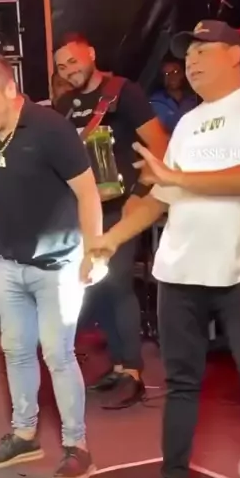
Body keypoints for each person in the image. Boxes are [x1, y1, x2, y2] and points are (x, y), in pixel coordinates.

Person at [88, 20, 240, 478]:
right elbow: (161, 195)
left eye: (204, 50)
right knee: (182, 380)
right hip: (180, 269)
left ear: (235, 55)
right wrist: (112, 238)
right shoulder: (187, 124)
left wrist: (175, 177)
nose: (192, 61)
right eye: (188, 53)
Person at [0, 52, 103, 478]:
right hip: (11, 263)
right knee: (16, 351)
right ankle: (25, 435)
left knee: (58, 354)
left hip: (59, 264)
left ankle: (77, 446)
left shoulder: (50, 129)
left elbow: (88, 192)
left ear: (10, 90)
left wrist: (95, 251)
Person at [54, 32, 169, 409]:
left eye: (73, 61)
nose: (69, 70)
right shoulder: (65, 105)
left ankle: (133, 372)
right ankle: (119, 365)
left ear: (91, 54)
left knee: (117, 282)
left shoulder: (124, 92)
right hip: (85, 209)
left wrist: (141, 194)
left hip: (124, 205)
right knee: (97, 285)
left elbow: (160, 146)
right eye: (61, 66)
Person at [150, 57, 198, 134]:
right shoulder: (155, 103)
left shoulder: (194, 99)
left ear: (182, 74)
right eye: (167, 74)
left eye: (175, 72)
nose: (171, 77)